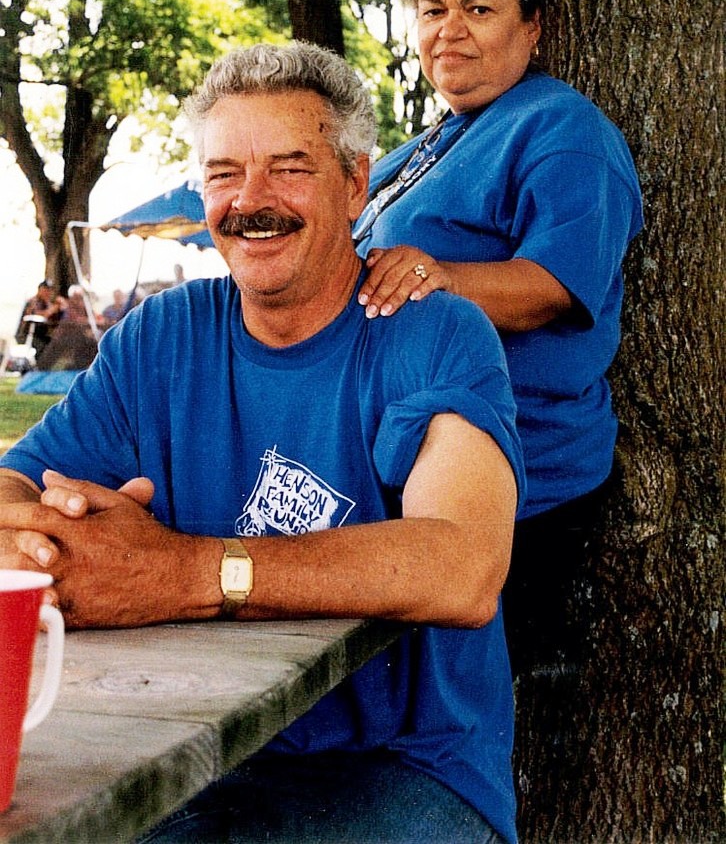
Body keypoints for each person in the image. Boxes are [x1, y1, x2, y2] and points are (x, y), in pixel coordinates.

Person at [0, 42, 525, 844]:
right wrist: (47, 539)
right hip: (194, 753)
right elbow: (14, 488)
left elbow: (463, 567)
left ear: (355, 184)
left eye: (289, 169)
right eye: (223, 174)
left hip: (402, 770)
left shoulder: (436, 332)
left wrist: (179, 572)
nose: (251, 200)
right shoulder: (160, 337)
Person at [352, 0, 643, 672]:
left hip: (512, 488)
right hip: (398, 468)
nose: (448, 30)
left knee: (456, 714)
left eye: (478, 8)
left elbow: (554, 287)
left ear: (532, 24)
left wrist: (438, 275)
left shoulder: (565, 131)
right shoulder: (425, 146)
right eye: (433, 9)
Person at [15, 280, 64, 357]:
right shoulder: (32, 301)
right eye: (45, 290)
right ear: (40, 290)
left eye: (49, 290)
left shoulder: (47, 303)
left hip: (40, 336)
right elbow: (37, 316)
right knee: (42, 348)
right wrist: (51, 310)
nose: (48, 293)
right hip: (27, 335)